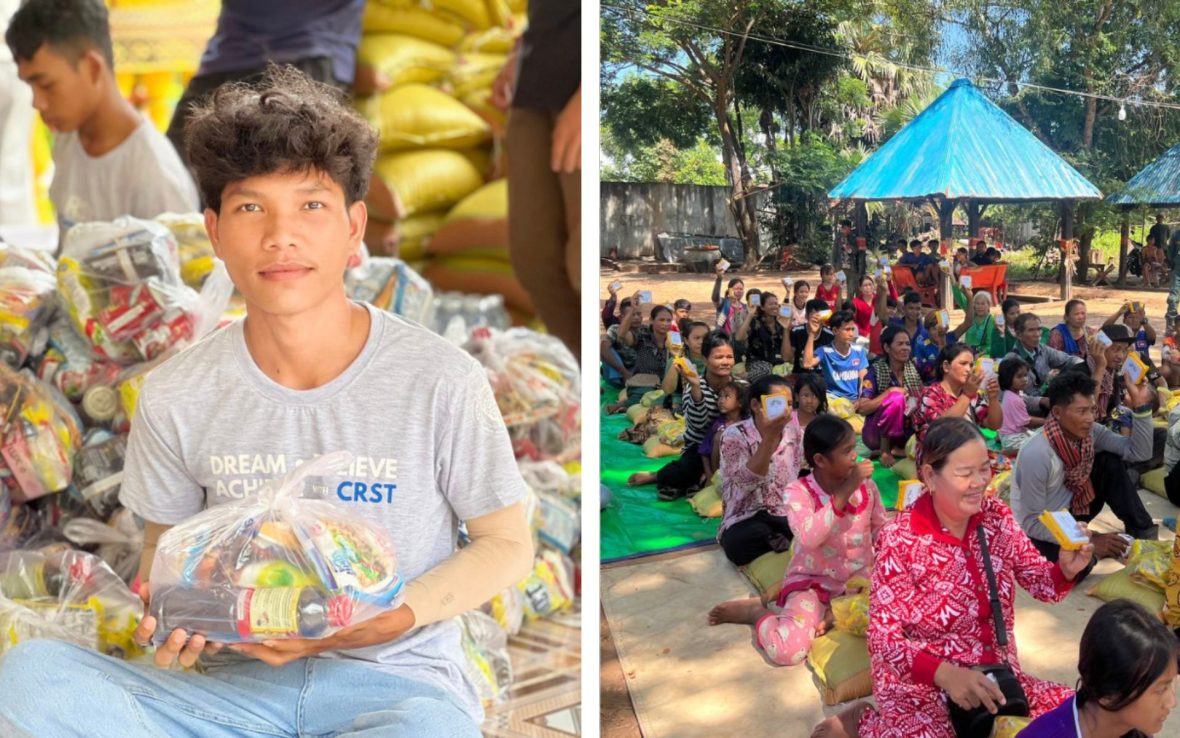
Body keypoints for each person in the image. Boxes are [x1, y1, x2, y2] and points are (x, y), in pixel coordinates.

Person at [0, 66, 532, 737]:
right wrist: (179, 615)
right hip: (230, 697)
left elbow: (507, 543)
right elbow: (167, 560)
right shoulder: (175, 393)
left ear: (353, 228)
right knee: (30, 676)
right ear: (216, 233)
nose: (281, 236)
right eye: (252, 208)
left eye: (311, 206)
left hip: (392, 690)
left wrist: (393, 615)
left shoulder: (440, 379)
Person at [813, 417, 1092, 738]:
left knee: (1084, 717)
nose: (980, 482)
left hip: (996, 677)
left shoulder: (996, 518)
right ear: (931, 476)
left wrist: (1065, 570)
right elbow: (882, 639)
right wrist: (945, 674)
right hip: (923, 686)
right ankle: (865, 722)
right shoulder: (901, 539)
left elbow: (1042, 584)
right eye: (965, 473)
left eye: (984, 469)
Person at [6, 0, 199, 236]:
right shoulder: (69, 137)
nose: (37, 102)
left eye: (46, 85)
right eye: (30, 86)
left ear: (92, 67)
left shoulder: (153, 174)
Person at [709, 416, 883, 668]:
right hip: (814, 585)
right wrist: (844, 493)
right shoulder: (798, 492)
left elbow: (880, 530)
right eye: (847, 452)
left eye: (854, 449)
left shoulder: (867, 487)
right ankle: (759, 614)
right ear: (820, 460)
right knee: (786, 652)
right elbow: (808, 537)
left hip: (860, 586)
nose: (855, 457)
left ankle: (834, 615)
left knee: (904, 624)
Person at [1010, 371, 1156, 580]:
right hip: (1043, 525)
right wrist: (1089, 541)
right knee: (1069, 570)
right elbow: (1031, 522)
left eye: (1092, 410)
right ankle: (1093, 555)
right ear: (1058, 412)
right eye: (1082, 411)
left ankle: (1143, 530)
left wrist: (1141, 408)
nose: (1090, 419)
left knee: (1109, 462)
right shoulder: (1038, 453)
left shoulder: (1092, 433)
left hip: (1076, 507)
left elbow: (1139, 453)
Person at [496, 0, 581, 360]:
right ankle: (581, 375)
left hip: (580, 83)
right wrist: (520, 47)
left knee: (581, 262)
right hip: (535, 79)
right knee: (534, 258)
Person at [1020, 599, 1179, 738]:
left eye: (1170, 685)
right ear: (1108, 693)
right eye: (1160, 690)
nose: (1172, 702)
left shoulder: (1133, 730)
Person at [628, 331, 735, 501]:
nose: (725, 362)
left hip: (735, 448)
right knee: (679, 475)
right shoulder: (693, 387)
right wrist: (696, 389)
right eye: (719, 357)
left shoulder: (740, 387)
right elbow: (699, 424)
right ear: (705, 360)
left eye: (729, 357)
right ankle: (657, 475)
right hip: (700, 449)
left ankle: (699, 481)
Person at [711, 374, 802, 566]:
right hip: (746, 515)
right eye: (777, 403)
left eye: (789, 404)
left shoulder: (794, 434)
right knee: (737, 543)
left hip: (783, 512)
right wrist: (769, 437)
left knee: (811, 528)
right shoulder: (734, 435)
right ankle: (776, 540)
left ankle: (779, 539)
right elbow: (746, 484)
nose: (785, 411)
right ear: (756, 405)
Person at [912, 343, 1002, 465]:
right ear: (946, 367)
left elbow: (994, 425)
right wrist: (967, 396)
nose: (969, 369)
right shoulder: (931, 394)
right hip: (937, 463)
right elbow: (941, 428)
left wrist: (993, 398)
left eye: (971, 365)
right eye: (963, 363)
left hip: (966, 457)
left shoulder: (972, 394)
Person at [857, 325, 922, 468]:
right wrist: (890, 392)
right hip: (875, 434)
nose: (906, 348)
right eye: (900, 344)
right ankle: (885, 451)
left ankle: (898, 449)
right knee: (896, 399)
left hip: (905, 432)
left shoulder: (913, 371)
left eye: (907, 344)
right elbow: (862, 408)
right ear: (887, 348)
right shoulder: (875, 372)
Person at [1004, 312, 1085, 415]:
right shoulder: (1011, 360)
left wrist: (1084, 365)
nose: (1037, 334)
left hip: (1047, 402)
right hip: (1025, 411)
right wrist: (1040, 401)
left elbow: (1068, 360)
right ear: (1019, 334)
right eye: (1031, 330)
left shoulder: (1042, 349)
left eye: (1039, 329)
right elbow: (1008, 396)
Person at [804, 310, 867, 402]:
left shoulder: (859, 351)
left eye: (852, 329)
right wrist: (812, 333)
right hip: (832, 400)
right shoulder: (824, 351)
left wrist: (861, 399)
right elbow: (807, 364)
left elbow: (863, 379)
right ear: (835, 330)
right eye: (847, 329)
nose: (851, 334)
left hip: (854, 401)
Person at [700, 379, 750, 489]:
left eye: (727, 396)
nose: (721, 401)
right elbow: (704, 451)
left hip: (741, 470)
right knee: (720, 436)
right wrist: (710, 476)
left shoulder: (748, 424)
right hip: (718, 473)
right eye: (720, 396)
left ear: (740, 403)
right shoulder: (718, 424)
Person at [735, 290, 790, 381]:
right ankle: (743, 376)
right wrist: (750, 315)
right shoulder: (755, 322)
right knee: (766, 369)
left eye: (776, 304)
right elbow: (738, 338)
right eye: (771, 304)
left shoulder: (781, 323)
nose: (775, 306)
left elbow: (787, 357)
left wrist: (786, 329)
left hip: (777, 362)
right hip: (758, 362)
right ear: (763, 307)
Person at [997, 357, 1044, 453]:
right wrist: (1046, 421)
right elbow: (1026, 422)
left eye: (1025, 375)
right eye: (1019, 376)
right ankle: (1010, 450)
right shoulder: (1015, 400)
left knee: (1036, 436)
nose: (1024, 379)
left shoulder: (1010, 393)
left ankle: (1004, 441)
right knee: (1038, 447)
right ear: (1008, 378)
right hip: (1013, 438)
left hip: (1009, 433)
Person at [659, 320, 709, 407]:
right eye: (696, 338)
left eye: (705, 338)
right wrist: (677, 358)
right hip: (680, 401)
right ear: (686, 341)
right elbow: (667, 390)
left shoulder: (714, 358)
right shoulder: (677, 359)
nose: (701, 342)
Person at [914, 309, 969, 383]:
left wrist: (970, 300)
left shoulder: (949, 338)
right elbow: (934, 373)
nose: (937, 332)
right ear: (927, 330)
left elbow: (968, 322)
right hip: (931, 386)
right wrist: (941, 339)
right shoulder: (921, 345)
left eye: (940, 329)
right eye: (934, 329)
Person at [785, 298, 833, 374]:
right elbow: (787, 358)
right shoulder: (796, 331)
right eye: (814, 314)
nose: (817, 318)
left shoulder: (829, 335)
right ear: (807, 316)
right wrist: (786, 329)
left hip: (821, 377)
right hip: (800, 375)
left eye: (820, 314)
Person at [601, 297, 638, 388]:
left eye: (638, 314)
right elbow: (603, 348)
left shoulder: (644, 329)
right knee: (605, 348)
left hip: (635, 371)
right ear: (621, 318)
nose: (636, 318)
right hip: (619, 374)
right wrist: (623, 372)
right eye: (632, 315)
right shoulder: (615, 328)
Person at [711, 268, 749, 337]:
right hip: (723, 340)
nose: (739, 291)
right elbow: (715, 297)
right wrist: (719, 279)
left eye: (741, 289)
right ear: (730, 290)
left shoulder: (745, 307)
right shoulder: (723, 303)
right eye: (736, 289)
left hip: (738, 341)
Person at [960, 291, 998, 356]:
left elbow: (991, 345)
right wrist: (954, 282)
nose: (979, 307)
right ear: (974, 305)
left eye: (983, 304)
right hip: (966, 350)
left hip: (982, 352)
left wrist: (981, 353)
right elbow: (960, 297)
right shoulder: (971, 314)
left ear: (989, 305)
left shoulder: (990, 320)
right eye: (977, 303)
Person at [1167, 230, 1180, 331]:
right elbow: (1170, 251)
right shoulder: (1176, 234)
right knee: (1173, 298)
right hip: (1178, 269)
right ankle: (1171, 326)